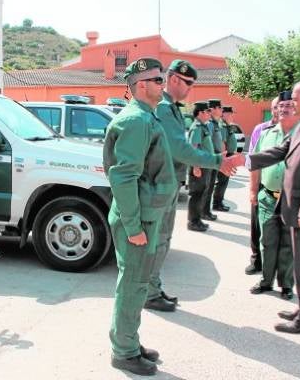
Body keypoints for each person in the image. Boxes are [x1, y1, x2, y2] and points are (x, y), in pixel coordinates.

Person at [236, 80, 300, 334]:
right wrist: (245, 159)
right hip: (297, 210)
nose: (291, 102)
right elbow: (281, 151)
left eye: (295, 97)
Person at [104, 58, 177, 376]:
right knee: (132, 284)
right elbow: (123, 177)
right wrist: (133, 226)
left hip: (146, 215)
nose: (164, 85)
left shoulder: (146, 117)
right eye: (159, 80)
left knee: (136, 283)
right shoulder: (135, 120)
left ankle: (129, 342)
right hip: (139, 219)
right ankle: (124, 351)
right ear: (142, 85)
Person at [148, 59, 237, 312]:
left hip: (169, 183)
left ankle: (153, 288)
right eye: (188, 83)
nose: (190, 89)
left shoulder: (173, 108)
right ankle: (148, 291)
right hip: (161, 183)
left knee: (163, 239)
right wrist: (218, 161)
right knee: (158, 241)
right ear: (174, 79)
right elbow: (180, 148)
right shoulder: (164, 108)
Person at [249, 91, 296, 300]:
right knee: (266, 241)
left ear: (296, 108)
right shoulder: (266, 134)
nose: (284, 109)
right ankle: (266, 281)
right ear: (275, 109)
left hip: (291, 200)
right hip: (267, 197)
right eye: (281, 106)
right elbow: (255, 165)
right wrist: (252, 190)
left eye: (288, 105)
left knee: (288, 244)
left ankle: (286, 285)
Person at [245, 98, 280, 275]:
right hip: (261, 185)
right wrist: (252, 189)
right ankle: (256, 259)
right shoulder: (261, 130)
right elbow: (252, 160)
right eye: (274, 107)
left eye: (280, 107)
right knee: (256, 226)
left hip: (284, 190)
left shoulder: (294, 130)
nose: (277, 110)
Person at [186, 102, 215, 232]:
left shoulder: (203, 127)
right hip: (199, 167)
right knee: (196, 194)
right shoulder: (197, 127)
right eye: (207, 111)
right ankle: (193, 222)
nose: (209, 114)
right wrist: (196, 167)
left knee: (202, 193)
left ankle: (197, 219)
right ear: (200, 113)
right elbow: (193, 148)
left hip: (204, 166)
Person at [212, 106, 239, 211]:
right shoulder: (222, 126)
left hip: (229, 156)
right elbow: (222, 143)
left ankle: (219, 202)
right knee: (221, 181)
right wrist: (225, 159)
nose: (233, 116)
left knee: (224, 181)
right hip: (225, 157)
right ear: (224, 114)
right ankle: (216, 203)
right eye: (231, 113)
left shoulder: (228, 126)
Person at [202, 99, 224, 221]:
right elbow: (207, 142)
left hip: (215, 158)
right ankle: (203, 212)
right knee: (207, 187)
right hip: (210, 158)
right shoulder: (210, 124)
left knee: (210, 186)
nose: (222, 110)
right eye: (220, 108)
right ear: (213, 109)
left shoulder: (216, 123)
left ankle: (206, 211)